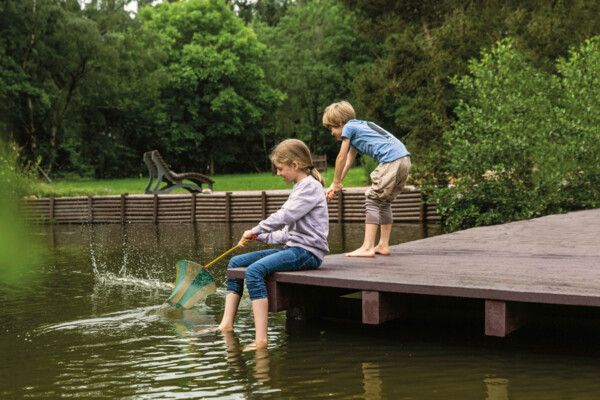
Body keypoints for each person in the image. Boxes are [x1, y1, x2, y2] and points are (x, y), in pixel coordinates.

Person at [217, 139, 329, 349]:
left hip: (308, 253)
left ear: (294, 165)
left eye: (280, 168)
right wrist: (259, 237)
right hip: (294, 248)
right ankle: (226, 325)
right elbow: (287, 233)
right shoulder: (300, 187)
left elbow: (284, 216)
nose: (278, 173)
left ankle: (261, 340)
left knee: (254, 271)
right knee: (234, 263)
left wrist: (256, 229)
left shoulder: (310, 188)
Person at [323, 100, 411, 257]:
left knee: (372, 199)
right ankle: (383, 245)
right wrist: (335, 185)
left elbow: (341, 157)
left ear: (340, 123)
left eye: (332, 128)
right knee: (384, 202)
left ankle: (367, 247)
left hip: (391, 160)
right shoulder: (361, 127)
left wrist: (336, 182)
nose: (331, 133)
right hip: (404, 159)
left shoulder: (349, 127)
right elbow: (349, 161)